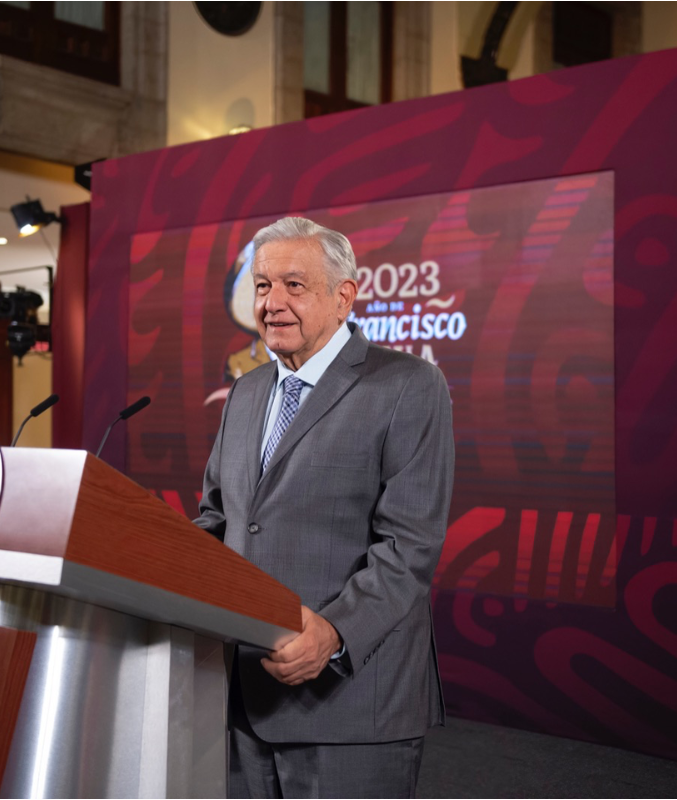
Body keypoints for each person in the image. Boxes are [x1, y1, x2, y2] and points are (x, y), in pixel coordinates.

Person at [193, 216, 455, 798]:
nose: (272, 302)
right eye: (262, 286)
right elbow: (219, 520)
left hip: (351, 701)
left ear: (343, 297)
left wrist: (335, 632)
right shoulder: (247, 391)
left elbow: (409, 547)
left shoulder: (409, 386)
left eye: (294, 285)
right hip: (243, 697)